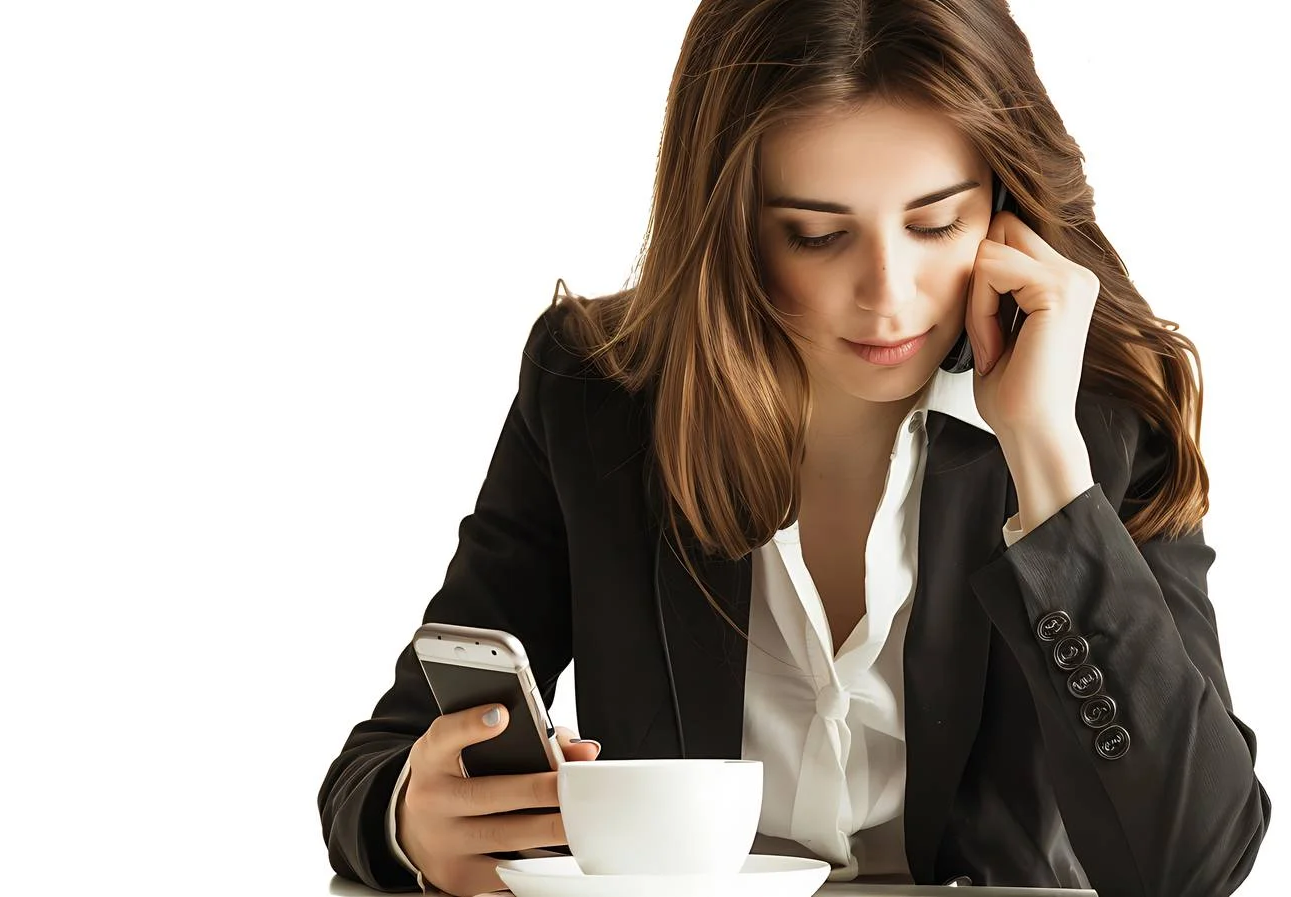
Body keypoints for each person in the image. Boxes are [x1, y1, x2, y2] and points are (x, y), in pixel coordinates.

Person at [317, 1, 1270, 894]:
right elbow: (376, 766)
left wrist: (1048, 465)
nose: (888, 293)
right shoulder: (595, 393)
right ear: (727, 228)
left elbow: (1193, 862)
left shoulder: (1099, 413)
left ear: (1005, 203)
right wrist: (412, 820)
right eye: (816, 235)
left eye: (937, 222)